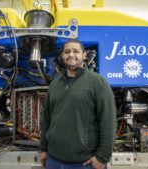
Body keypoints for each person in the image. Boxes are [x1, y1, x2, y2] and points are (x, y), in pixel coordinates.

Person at [40, 39, 116, 169]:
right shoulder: (55, 84)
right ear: (62, 55)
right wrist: (44, 149)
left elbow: (108, 121)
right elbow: (46, 119)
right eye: (67, 52)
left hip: (84, 163)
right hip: (54, 160)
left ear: (84, 55)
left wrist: (102, 158)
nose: (71, 55)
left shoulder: (97, 82)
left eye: (76, 51)